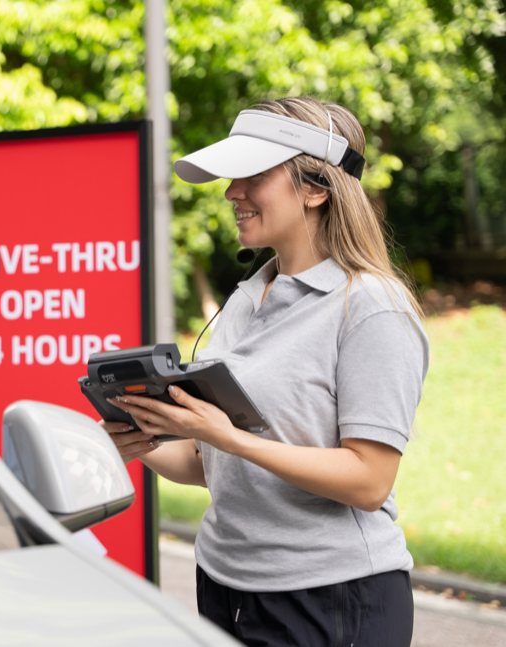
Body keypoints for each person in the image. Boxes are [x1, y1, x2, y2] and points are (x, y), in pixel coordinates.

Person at [102, 97, 429, 647]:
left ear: (316, 188)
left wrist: (228, 438)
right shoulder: (244, 302)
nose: (232, 192)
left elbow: (369, 481)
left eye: (252, 174)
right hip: (226, 586)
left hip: (332, 596)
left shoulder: (372, 307)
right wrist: (141, 438)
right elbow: (210, 464)